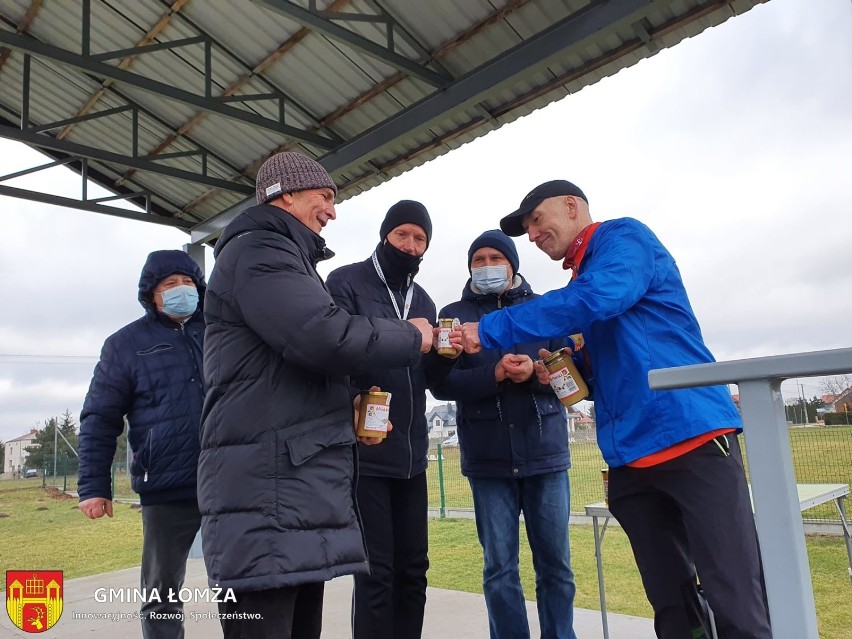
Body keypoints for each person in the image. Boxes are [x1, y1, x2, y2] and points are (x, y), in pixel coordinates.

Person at [460, 180, 772, 639]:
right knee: (671, 603)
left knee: (733, 596)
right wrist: (567, 366)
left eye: (537, 220)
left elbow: (599, 298)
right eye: (526, 229)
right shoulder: (582, 276)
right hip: (631, 462)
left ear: (571, 207)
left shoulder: (624, 239)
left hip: (692, 441)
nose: (532, 234)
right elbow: (613, 351)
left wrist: (490, 329)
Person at [198, 152, 437, 639]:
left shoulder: (286, 258)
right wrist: (412, 336)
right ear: (285, 194)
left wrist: (344, 411)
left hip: (291, 488)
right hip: (267, 493)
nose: (332, 211)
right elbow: (323, 337)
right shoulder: (260, 251)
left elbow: (291, 367)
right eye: (325, 197)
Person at [431, 230, 578, 639]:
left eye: (496, 257)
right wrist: (492, 375)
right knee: (499, 570)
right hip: (487, 459)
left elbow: (572, 380)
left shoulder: (545, 309)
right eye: (478, 259)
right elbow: (441, 385)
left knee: (557, 567)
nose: (487, 265)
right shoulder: (454, 316)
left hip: (545, 455)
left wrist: (536, 375)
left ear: (513, 264)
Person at [326, 200, 459, 639]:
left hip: (412, 455)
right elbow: (334, 354)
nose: (410, 245)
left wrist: (448, 354)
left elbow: (432, 379)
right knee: (376, 572)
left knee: (414, 569)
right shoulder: (345, 282)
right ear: (384, 235)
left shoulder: (422, 299)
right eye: (402, 234)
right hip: (366, 452)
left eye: (420, 239)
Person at [78, 249, 206, 639]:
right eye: (170, 284)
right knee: (161, 593)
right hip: (166, 488)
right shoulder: (124, 345)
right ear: (152, 293)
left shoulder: (225, 331)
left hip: (229, 479)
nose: (182, 290)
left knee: (242, 586)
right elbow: (99, 418)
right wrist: (93, 487)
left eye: (188, 282)